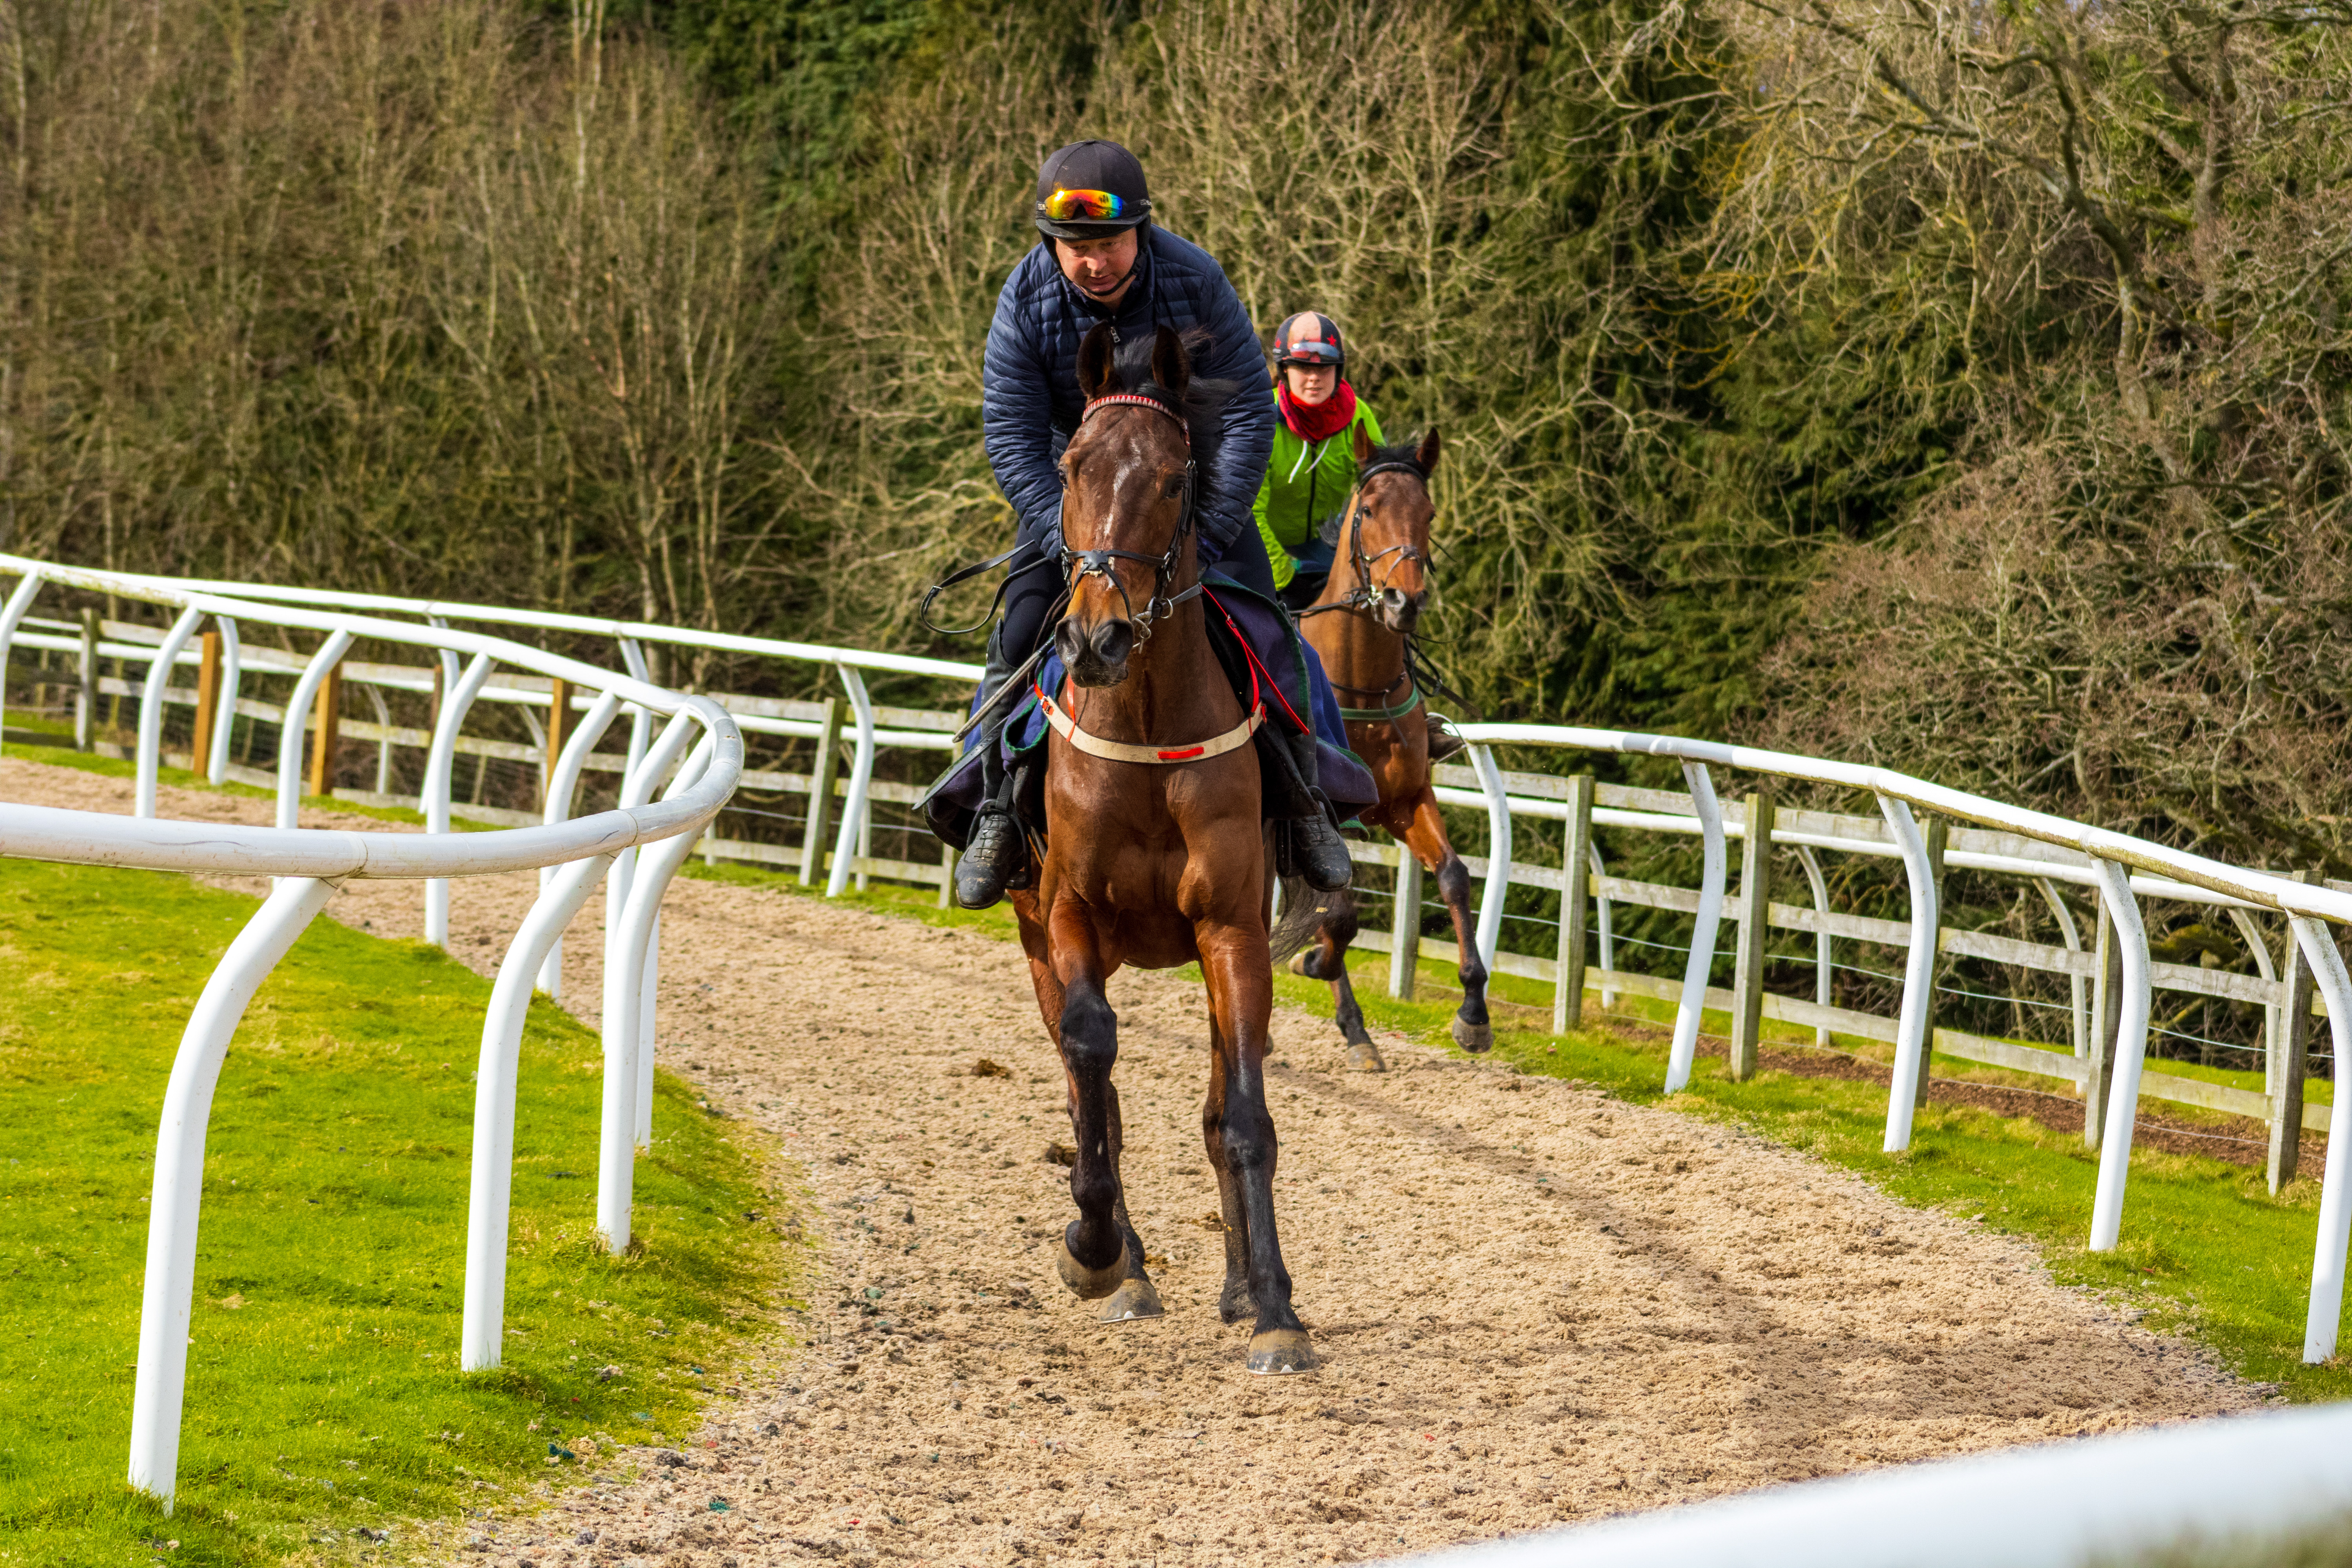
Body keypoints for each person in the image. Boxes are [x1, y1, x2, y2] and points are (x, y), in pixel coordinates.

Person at [954, 139, 1355, 909]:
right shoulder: (1024, 295)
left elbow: (1243, 408)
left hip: (1186, 501)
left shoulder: (1196, 278)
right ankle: (996, 808)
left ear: (1141, 232)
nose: (1091, 262)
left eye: (1106, 244)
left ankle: (1312, 802)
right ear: (1051, 246)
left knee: (1271, 626)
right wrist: (1067, 538)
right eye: (1074, 248)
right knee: (1019, 629)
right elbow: (1009, 428)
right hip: (1075, 511)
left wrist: (1210, 523)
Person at [1253, 312, 1385, 613]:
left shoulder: (1359, 417)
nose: (1314, 377)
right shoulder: (1260, 419)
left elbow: (1384, 493)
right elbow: (1251, 512)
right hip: (1258, 546)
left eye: (1325, 368)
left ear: (1338, 371)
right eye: (1302, 366)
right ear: (1284, 370)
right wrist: (1285, 579)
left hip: (1323, 544)